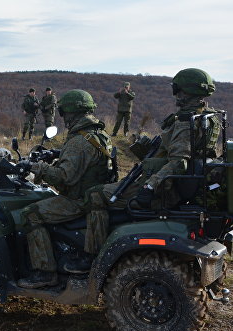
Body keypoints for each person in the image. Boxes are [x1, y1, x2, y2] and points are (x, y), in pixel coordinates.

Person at [84, 68, 221, 256]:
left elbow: (179, 162)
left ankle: (93, 254)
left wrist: (149, 187)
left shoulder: (185, 121)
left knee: (95, 194)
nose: (176, 94)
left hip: (165, 188)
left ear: (186, 91)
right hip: (179, 182)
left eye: (177, 90)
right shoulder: (209, 116)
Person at [17, 90, 114, 288]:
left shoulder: (78, 141)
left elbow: (65, 177)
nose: (63, 117)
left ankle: (44, 272)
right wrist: (58, 153)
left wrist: (40, 168)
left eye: (63, 112)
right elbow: (87, 159)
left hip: (78, 200)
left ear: (71, 112)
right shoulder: (98, 134)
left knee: (30, 214)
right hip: (95, 194)